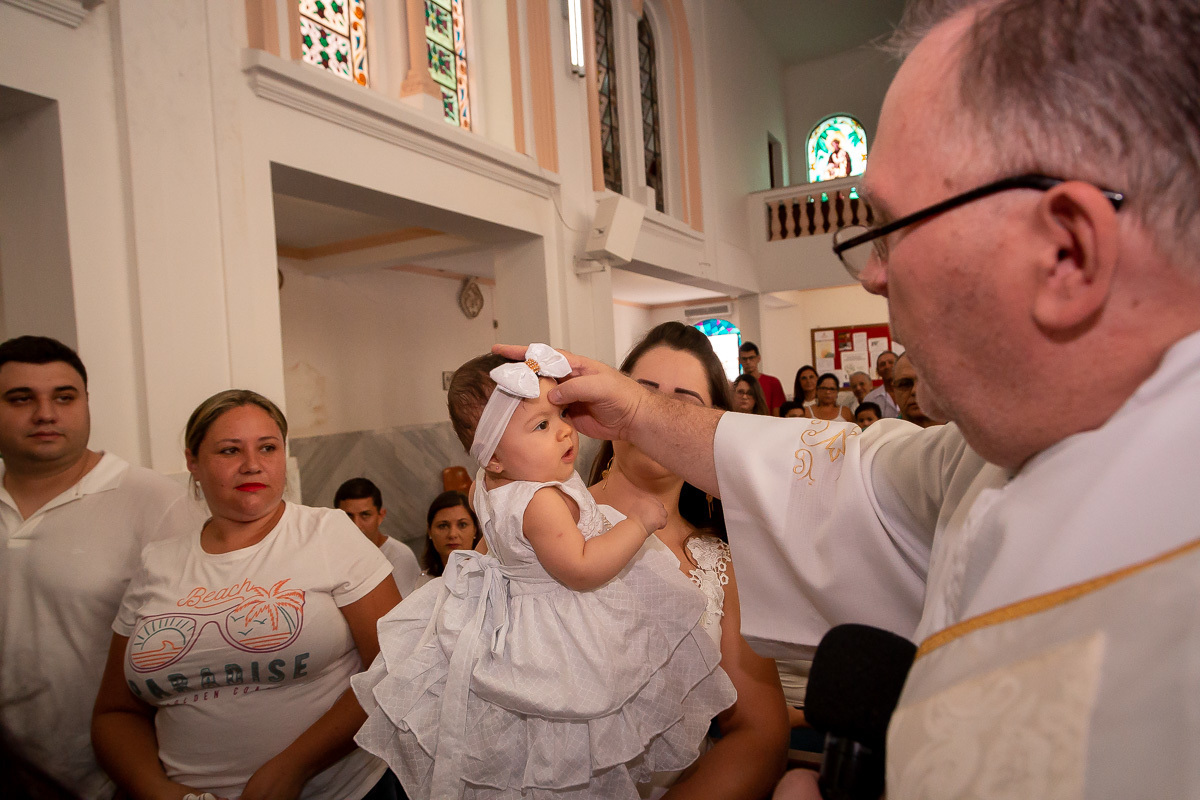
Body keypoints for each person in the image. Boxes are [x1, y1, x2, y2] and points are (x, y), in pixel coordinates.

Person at [499, 0, 1200, 793]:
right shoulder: (998, 452)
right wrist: (637, 408)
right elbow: (834, 478)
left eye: (895, 227)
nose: (872, 274)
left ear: (1065, 253)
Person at [352, 345, 735, 799]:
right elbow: (582, 568)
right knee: (574, 725)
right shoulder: (540, 500)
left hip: (512, 623)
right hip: (559, 632)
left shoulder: (493, 484)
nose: (562, 434)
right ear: (493, 456)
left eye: (561, 417)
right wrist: (638, 524)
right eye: (540, 425)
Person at [92, 390, 403, 800]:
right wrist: (159, 791)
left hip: (340, 791)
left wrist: (295, 767)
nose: (252, 464)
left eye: (268, 448)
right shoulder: (159, 562)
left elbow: (396, 668)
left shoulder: (327, 533)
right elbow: (116, 712)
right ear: (193, 462)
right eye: (229, 450)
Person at [589, 322, 789, 798]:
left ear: (711, 427)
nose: (655, 418)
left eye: (683, 403)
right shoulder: (541, 519)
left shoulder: (718, 563)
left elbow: (759, 732)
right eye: (644, 395)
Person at [0, 335, 198, 800]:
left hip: (110, 776)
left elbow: (191, 647)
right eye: (20, 398)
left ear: (86, 403)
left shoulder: (154, 502)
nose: (45, 414)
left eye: (64, 397)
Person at [336, 478, 422, 598]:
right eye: (348, 516)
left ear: (380, 516)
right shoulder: (330, 553)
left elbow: (398, 612)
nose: (356, 525)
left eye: (365, 515)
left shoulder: (399, 556)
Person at [413, 489, 481, 589]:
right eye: (443, 526)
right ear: (430, 531)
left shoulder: (488, 575)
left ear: (475, 530)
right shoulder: (425, 582)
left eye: (462, 525)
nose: (452, 534)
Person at [891, 353, 941, 428]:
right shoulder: (876, 437)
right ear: (894, 390)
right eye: (905, 384)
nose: (915, 391)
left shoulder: (963, 435)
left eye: (926, 382)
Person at [737, 341, 786, 415]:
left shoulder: (773, 382)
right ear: (739, 360)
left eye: (751, 358)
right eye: (744, 359)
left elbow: (778, 412)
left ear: (758, 358)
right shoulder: (737, 385)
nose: (748, 362)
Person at [862, 350, 900, 418]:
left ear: (900, 365)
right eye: (882, 364)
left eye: (891, 362)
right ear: (878, 372)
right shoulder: (870, 399)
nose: (887, 366)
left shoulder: (913, 391)